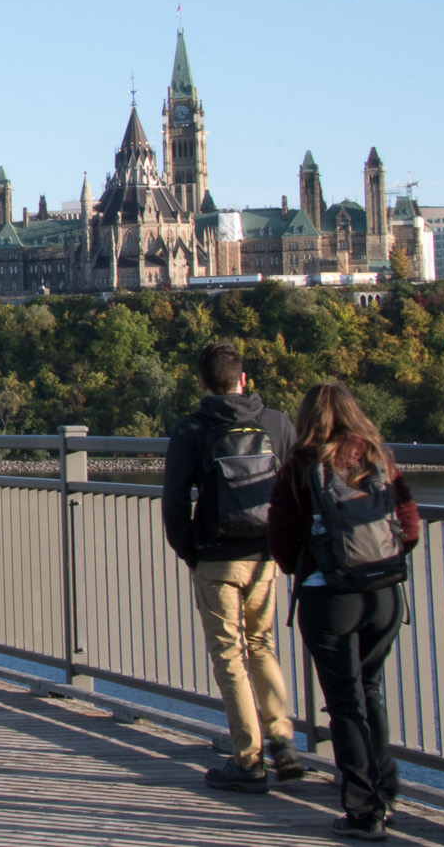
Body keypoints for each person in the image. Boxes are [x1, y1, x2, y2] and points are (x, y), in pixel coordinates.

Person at [270, 383, 420, 841]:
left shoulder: (301, 465)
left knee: (345, 703)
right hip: (385, 597)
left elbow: (281, 542)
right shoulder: (377, 456)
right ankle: (386, 790)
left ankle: (363, 811)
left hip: (330, 597)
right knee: (369, 690)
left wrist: (313, 565)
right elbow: (409, 524)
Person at [161, 340, 300, 793]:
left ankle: (248, 760)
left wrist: (191, 552)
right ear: (244, 379)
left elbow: (175, 502)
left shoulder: (192, 430)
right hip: (266, 555)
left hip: (217, 556)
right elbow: (300, 488)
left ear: (203, 382)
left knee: (229, 656)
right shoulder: (277, 424)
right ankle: (282, 738)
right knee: (262, 644)